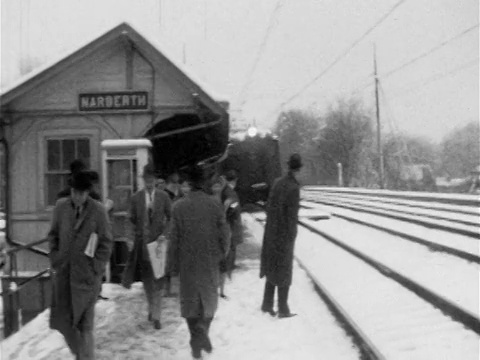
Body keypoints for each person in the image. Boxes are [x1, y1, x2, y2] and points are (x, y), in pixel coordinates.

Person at [167, 165, 230, 359]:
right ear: (204, 183)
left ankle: (196, 339)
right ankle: (202, 329)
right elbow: (225, 235)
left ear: (190, 184)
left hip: (187, 263)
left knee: (190, 305)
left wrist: (173, 266)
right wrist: (221, 255)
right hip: (210, 261)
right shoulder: (215, 205)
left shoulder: (178, 207)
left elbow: (173, 239)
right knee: (208, 303)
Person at [48, 171, 113, 359]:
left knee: (86, 327)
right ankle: (81, 355)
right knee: (65, 324)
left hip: (87, 280)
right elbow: (53, 235)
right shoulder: (61, 207)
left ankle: (85, 357)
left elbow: (106, 243)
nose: (78, 197)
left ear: (87, 193)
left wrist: (96, 268)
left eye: (82, 193)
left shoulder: (98, 211)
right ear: (71, 190)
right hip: (64, 278)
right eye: (75, 192)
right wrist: (55, 258)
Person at [121, 163, 172, 330]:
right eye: (146, 180)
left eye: (151, 180)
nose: (149, 183)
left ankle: (157, 315)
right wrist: (130, 238)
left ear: (155, 180)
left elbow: (172, 219)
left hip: (159, 244)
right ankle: (151, 307)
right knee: (147, 281)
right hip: (142, 246)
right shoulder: (136, 198)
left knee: (158, 281)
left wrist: (165, 234)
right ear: (143, 180)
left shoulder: (164, 197)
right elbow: (129, 219)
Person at [260, 153, 302, 319]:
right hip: (284, 234)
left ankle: (267, 303)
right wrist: (292, 235)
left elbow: (270, 207)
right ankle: (283, 308)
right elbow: (291, 216)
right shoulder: (293, 188)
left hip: (272, 231)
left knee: (272, 267)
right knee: (284, 270)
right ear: (298, 168)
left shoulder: (277, 182)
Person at [221, 170, 242, 279]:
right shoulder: (229, 191)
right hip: (231, 222)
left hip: (231, 221)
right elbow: (232, 206)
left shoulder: (227, 190)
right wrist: (232, 213)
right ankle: (229, 266)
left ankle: (230, 265)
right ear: (235, 180)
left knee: (232, 244)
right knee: (231, 244)